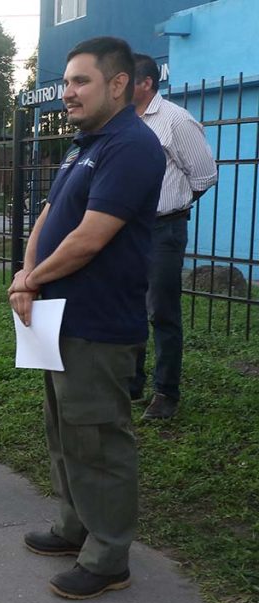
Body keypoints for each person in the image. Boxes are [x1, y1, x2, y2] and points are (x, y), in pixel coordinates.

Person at [8, 37, 165, 599]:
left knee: (98, 437)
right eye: (67, 82)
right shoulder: (84, 145)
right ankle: (75, 524)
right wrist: (28, 277)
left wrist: (32, 279)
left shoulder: (132, 147)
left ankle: (108, 555)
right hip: (56, 313)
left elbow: (90, 238)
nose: (67, 93)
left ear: (117, 84)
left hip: (98, 322)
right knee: (63, 428)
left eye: (81, 82)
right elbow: (49, 216)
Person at [130, 53, 218, 420]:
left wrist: (172, 203)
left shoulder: (175, 121)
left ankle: (166, 392)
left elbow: (204, 176)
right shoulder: (121, 121)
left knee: (162, 311)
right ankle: (131, 382)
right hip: (126, 230)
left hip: (164, 228)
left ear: (146, 82)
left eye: (124, 78)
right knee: (128, 305)